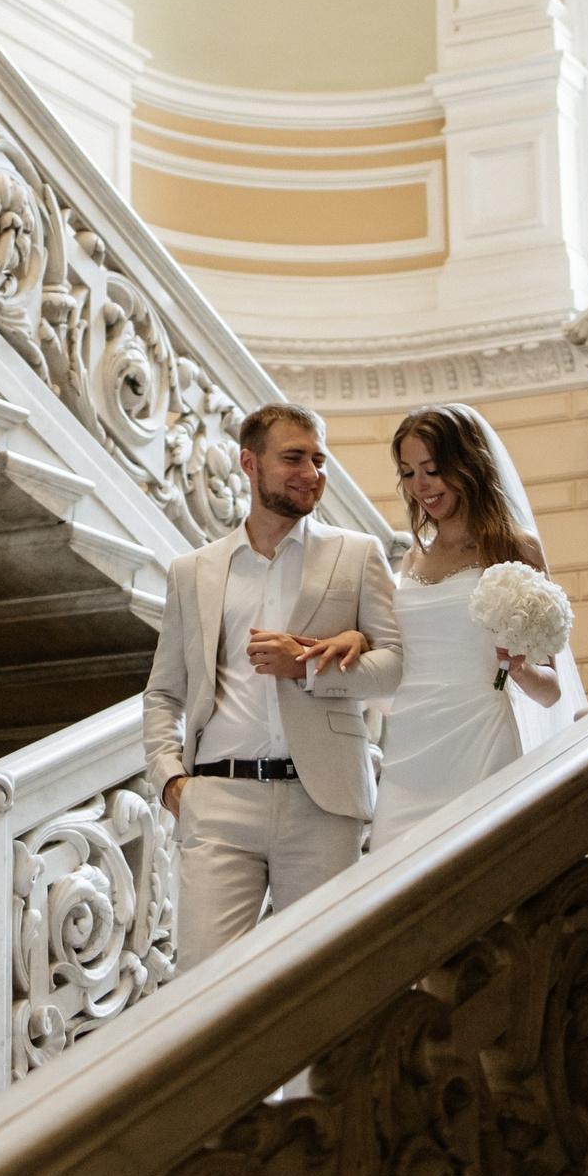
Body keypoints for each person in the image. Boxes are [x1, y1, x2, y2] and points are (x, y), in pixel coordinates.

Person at [142, 403, 405, 969]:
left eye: (318, 459)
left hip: (323, 803)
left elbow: (395, 669)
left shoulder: (357, 555)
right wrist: (170, 780)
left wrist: (307, 666)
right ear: (248, 463)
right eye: (293, 458)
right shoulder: (194, 571)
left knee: (319, 983)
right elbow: (164, 691)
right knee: (203, 990)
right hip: (217, 799)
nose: (312, 472)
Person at [360, 403, 588, 852]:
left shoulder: (514, 546)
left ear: (467, 465)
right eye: (408, 473)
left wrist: (519, 669)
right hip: (409, 744)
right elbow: (400, 662)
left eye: (432, 469)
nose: (420, 486)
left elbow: (550, 691)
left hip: (480, 736)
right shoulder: (411, 560)